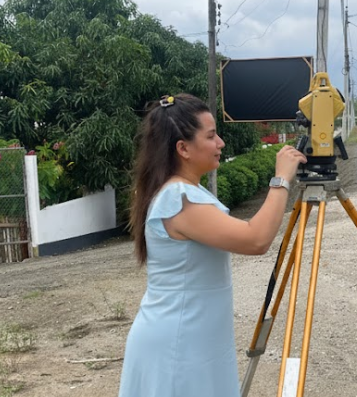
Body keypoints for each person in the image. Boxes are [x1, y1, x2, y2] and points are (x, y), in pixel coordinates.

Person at [118, 94, 307, 397]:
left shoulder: (183, 192)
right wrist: (281, 179)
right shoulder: (179, 199)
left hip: (191, 337)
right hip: (179, 344)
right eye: (210, 136)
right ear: (183, 149)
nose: (220, 143)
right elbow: (255, 239)